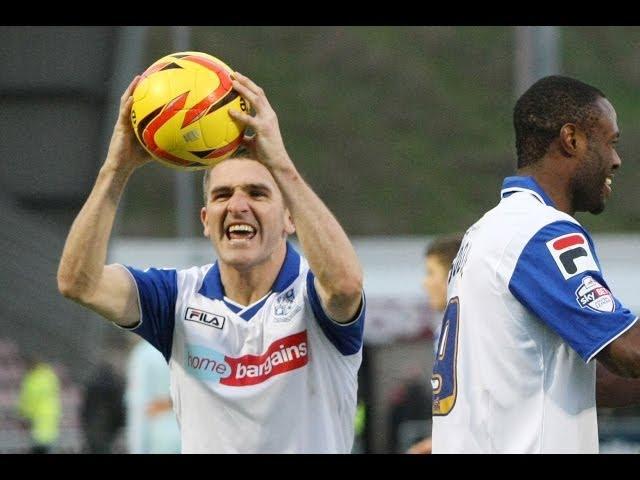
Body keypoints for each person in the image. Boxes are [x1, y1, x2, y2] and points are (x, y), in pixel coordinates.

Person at [57, 70, 365, 453]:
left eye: (257, 193)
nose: (237, 206)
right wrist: (115, 169)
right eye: (222, 195)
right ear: (206, 221)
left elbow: (347, 285)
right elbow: (77, 283)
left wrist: (281, 164)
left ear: (290, 218)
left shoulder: (313, 294)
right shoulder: (175, 298)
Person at [431, 75, 640, 453]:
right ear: (571, 139)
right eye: (610, 143)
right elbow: (630, 351)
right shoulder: (540, 231)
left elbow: (576, 378)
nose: (616, 160)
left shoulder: (487, 231)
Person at [405, 234, 462, 454]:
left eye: (431, 273)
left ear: (452, 276)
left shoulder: (471, 325)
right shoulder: (446, 327)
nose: (424, 283)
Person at [126, 337, 181, 453]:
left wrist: (137, 449)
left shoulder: (144, 353)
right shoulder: (194, 349)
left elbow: (139, 406)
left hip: (160, 437)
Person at [17, 355, 61, 454]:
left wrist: (24, 416)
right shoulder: (50, 375)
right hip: (50, 419)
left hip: (36, 420)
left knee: (38, 448)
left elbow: (30, 400)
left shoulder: (33, 379)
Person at [80, 359, 126, 453]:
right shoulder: (116, 383)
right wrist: (120, 423)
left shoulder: (92, 383)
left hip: (93, 422)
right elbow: (118, 406)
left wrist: (84, 420)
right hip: (110, 423)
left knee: (95, 447)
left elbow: (86, 405)